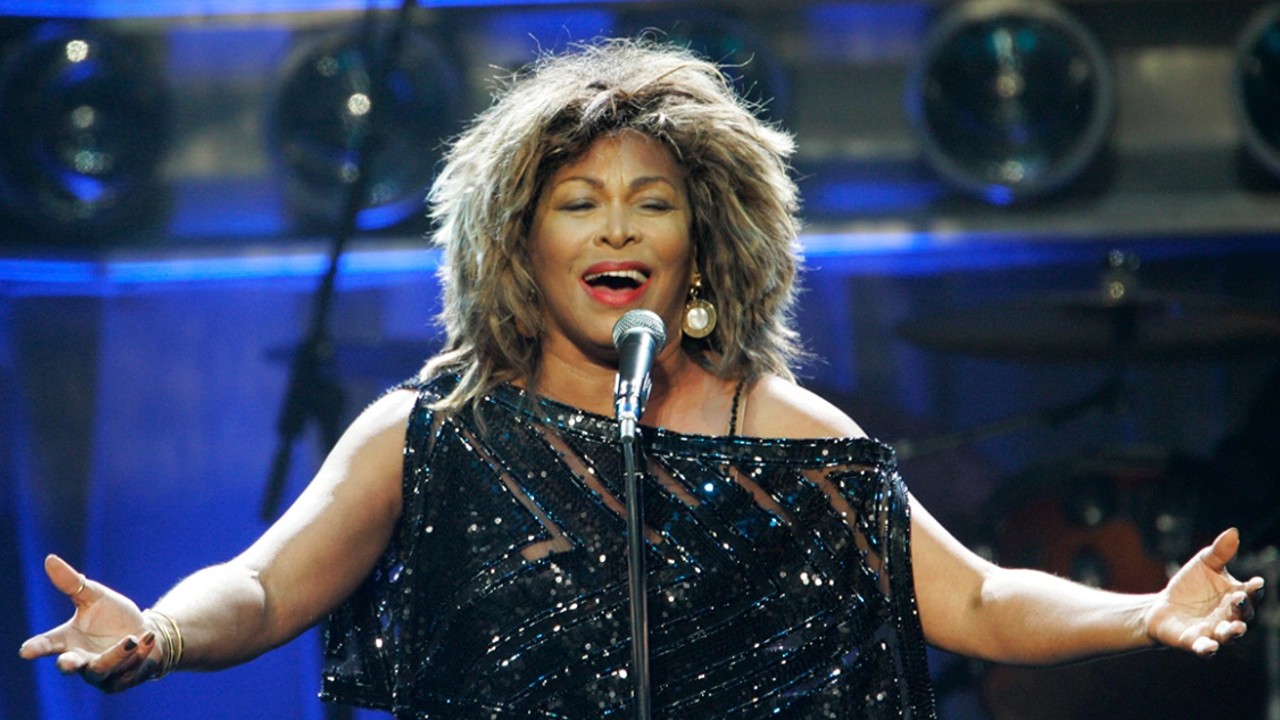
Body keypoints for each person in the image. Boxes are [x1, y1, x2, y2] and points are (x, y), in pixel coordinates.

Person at [19, 38, 1265, 719]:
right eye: (577, 202)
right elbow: (260, 585)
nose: (615, 227)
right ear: (517, 245)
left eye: (649, 202)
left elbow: (978, 601)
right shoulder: (429, 432)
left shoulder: (778, 429)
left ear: (702, 244)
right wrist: (161, 633)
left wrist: (1139, 613)